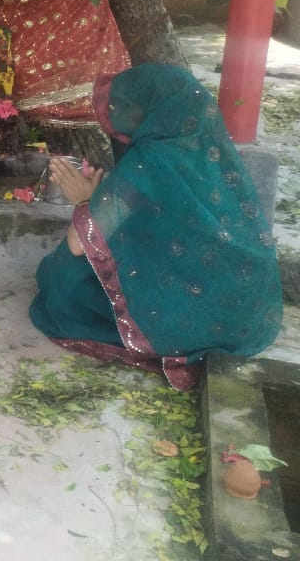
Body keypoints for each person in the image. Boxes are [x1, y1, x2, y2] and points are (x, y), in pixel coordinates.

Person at [29, 64, 282, 390]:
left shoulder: (147, 160)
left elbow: (80, 244)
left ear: (151, 113)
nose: (119, 116)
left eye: (128, 107)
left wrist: (84, 201)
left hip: (189, 318)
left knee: (60, 270)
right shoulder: (213, 149)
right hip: (245, 310)